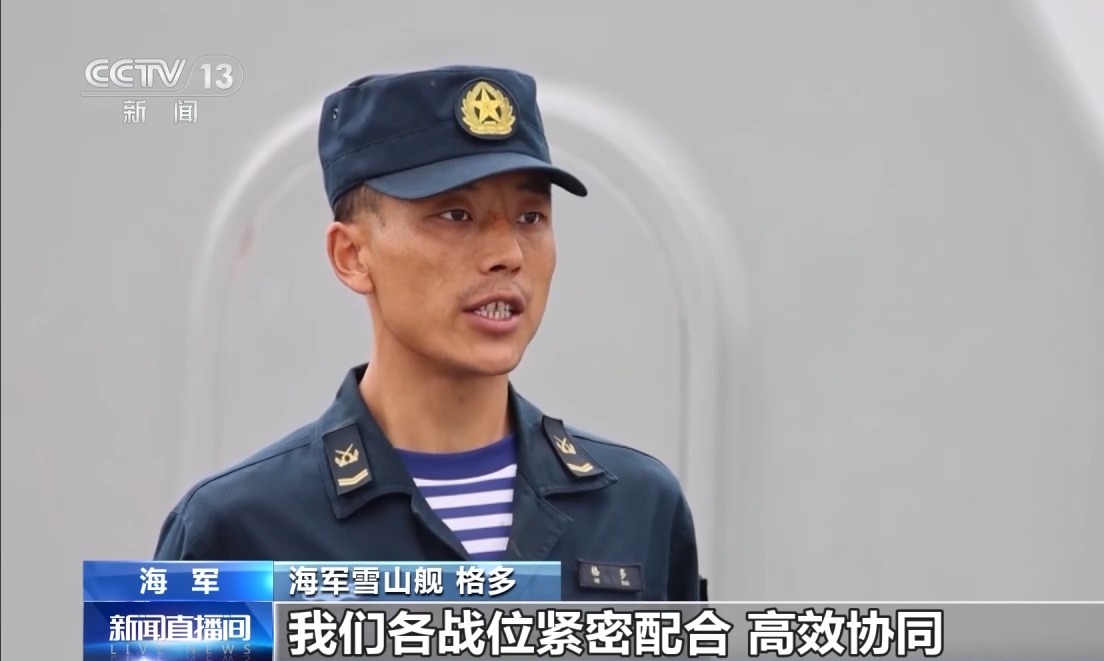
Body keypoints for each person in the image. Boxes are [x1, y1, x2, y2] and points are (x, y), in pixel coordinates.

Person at [153, 65, 706, 601]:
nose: (508, 254)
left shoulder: (638, 508)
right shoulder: (236, 532)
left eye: (530, 218)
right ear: (351, 256)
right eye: (455, 216)